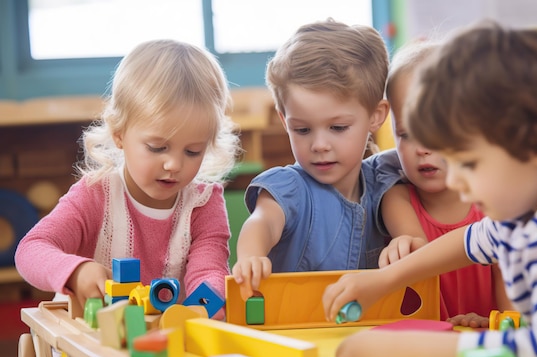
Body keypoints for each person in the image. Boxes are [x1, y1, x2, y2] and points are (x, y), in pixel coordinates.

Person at [322, 21, 537, 357]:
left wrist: (418, 350)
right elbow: (471, 241)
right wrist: (382, 281)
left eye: (469, 162)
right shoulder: (529, 207)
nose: (456, 181)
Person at [15, 40, 240, 317]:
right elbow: (30, 250)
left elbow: (209, 271)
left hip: (164, 341)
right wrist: (75, 272)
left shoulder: (204, 203)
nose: (174, 164)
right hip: (91, 341)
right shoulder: (95, 194)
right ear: (119, 134)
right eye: (157, 148)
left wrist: (209, 305)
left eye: (193, 151)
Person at [232, 19, 401, 300]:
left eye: (337, 128)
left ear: (376, 115)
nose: (319, 145)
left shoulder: (384, 181)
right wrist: (251, 255)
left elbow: (412, 236)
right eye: (302, 130)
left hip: (365, 332)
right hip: (293, 331)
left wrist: (406, 242)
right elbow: (263, 222)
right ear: (284, 120)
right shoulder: (288, 187)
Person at [380, 39, 511, 327]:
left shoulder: (493, 204)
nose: (422, 149)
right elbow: (418, 250)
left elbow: (513, 317)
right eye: (405, 134)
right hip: (423, 345)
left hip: (487, 347)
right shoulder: (396, 198)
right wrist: (401, 246)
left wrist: (492, 322)